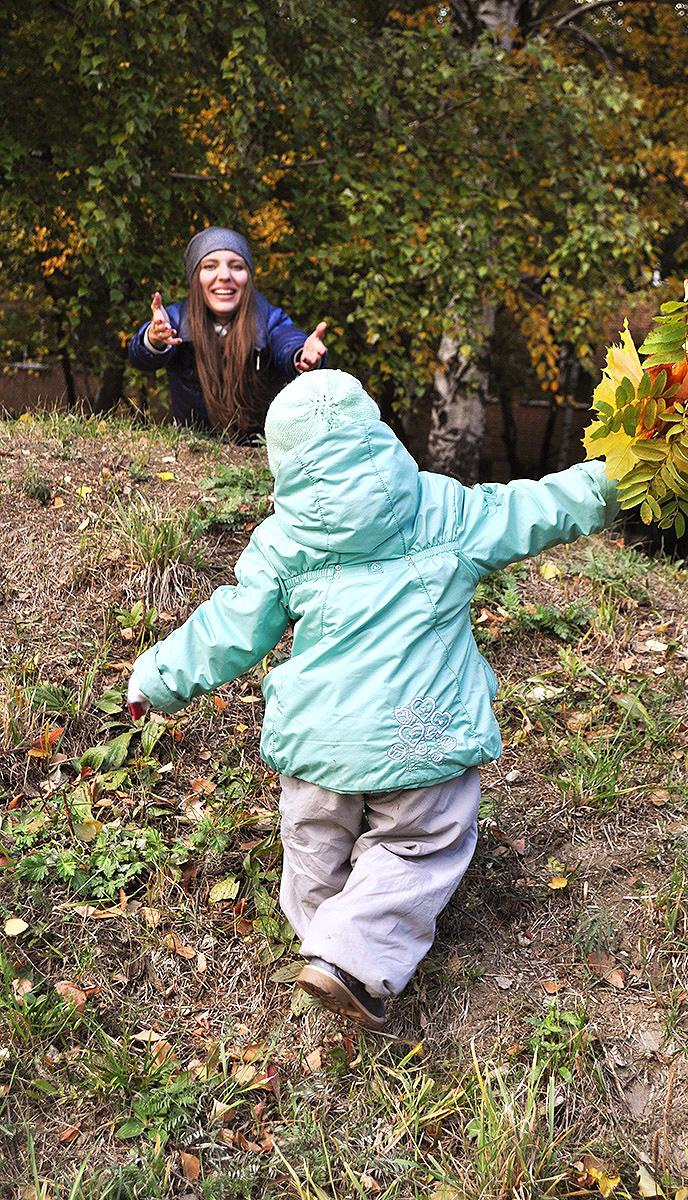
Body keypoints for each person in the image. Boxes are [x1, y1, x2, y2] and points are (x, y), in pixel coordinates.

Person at [126, 370, 618, 1030]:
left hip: (318, 746)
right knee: (418, 845)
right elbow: (533, 510)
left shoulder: (282, 542)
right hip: (421, 738)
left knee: (312, 853)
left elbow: (230, 629)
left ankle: (323, 949)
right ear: (376, 432)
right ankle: (349, 959)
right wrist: (614, 478)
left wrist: (155, 677)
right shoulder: (442, 509)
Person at [127, 227, 328, 439]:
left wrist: (302, 355)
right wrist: (153, 339)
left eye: (237, 266)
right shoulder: (175, 320)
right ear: (196, 278)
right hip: (192, 445)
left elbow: (287, 340)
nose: (224, 276)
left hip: (258, 449)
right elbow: (140, 359)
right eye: (210, 266)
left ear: (248, 278)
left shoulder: (269, 318)